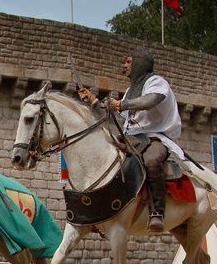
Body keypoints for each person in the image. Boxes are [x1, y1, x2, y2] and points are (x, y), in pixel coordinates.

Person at [78, 48, 182, 232]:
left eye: (128, 62)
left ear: (139, 63)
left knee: (151, 160)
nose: (124, 66)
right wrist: (94, 102)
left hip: (155, 137)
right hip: (131, 138)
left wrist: (121, 104)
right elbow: (117, 118)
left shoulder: (156, 82)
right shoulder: (129, 91)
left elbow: (151, 100)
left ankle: (156, 212)